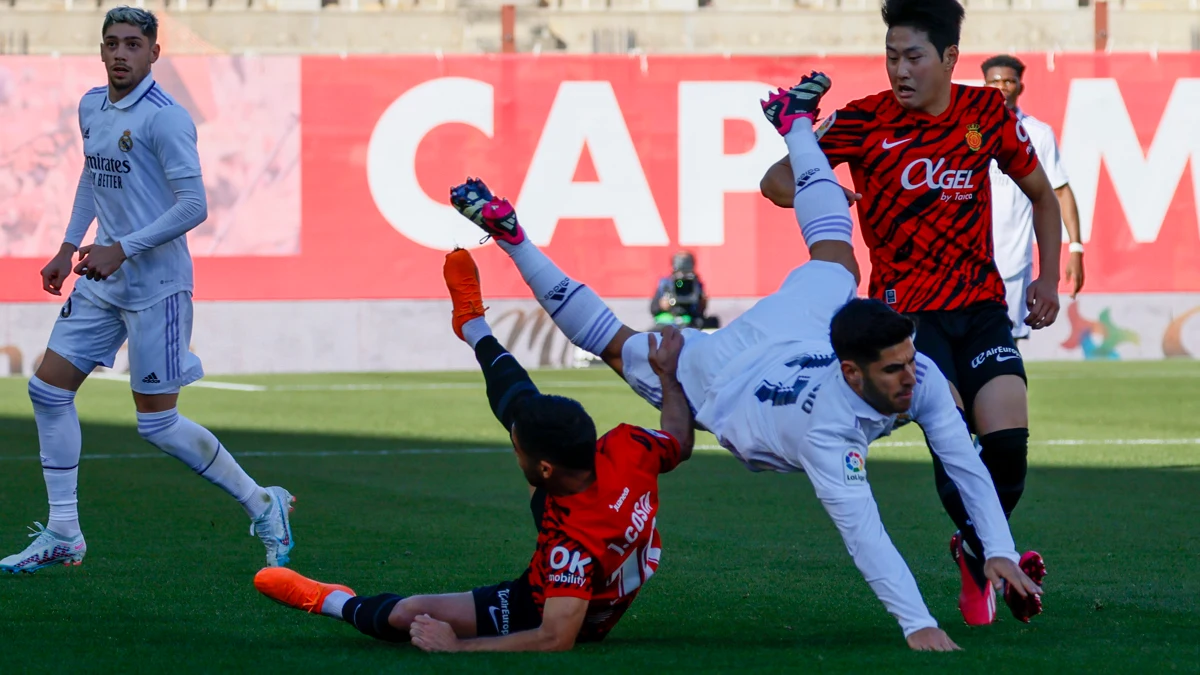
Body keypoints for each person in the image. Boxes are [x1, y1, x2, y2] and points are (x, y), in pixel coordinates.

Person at [446, 72, 1042, 652]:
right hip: (724, 376)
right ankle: (512, 237)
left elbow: (964, 461)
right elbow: (868, 537)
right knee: (611, 342)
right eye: (894, 371)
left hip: (796, 337)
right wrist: (916, 623)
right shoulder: (828, 435)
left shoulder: (919, 374)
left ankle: (795, 124)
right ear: (853, 372)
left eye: (909, 362)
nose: (912, 377)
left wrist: (999, 549)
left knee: (837, 259)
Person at [758, 0, 1057, 626]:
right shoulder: (865, 119)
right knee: (955, 441)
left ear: (949, 58)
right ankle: (991, 554)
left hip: (980, 308)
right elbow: (776, 181)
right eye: (891, 55)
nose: (900, 69)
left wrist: (1049, 276)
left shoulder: (986, 113)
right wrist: (825, 186)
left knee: (1007, 447)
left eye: (913, 56)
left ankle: (975, 553)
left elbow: (1041, 196)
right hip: (907, 321)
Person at [253, 249, 695, 653]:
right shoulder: (627, 446)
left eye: (517, 450)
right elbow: (679, 438)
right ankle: (472, 324)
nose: (513, 451)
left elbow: (556, 637)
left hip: (544, 605)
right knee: (529, 411)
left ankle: (331, 600)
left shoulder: (568, 549)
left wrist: (457, 647)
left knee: (409, 614)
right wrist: (668, 376)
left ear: (542, 470)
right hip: (591, 513)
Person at [1, 7, 294, 574]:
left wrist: (123, 247)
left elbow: (195, 206)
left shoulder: (168, 119)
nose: (119, 54)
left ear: (154, 53)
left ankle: (263, 503)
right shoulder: (91, 105)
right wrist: (68, 244)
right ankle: (64, 532)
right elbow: (93, 172)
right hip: (102, 280)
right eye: (111, 43)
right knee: (48, 391)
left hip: (156, 286)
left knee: (157, 423)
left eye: (133, 44)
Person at [981, 53, 1085, 339]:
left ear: (1020, 87)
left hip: (1013, 264)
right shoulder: (969, 133)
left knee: (1006, 344)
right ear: (983, 85)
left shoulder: (1037, 134)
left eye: (1009, 81)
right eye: (994, 81)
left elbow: (1060, 193)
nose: (1002, 87)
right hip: (971, 263)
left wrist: (1075, 249)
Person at [651, 251, 712, 329]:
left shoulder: (695, 284)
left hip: (689, 320)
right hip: (668, 322)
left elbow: (700, 312)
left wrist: (703, 302)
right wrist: (661, 305)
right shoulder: (666, 283)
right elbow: (653, 309)